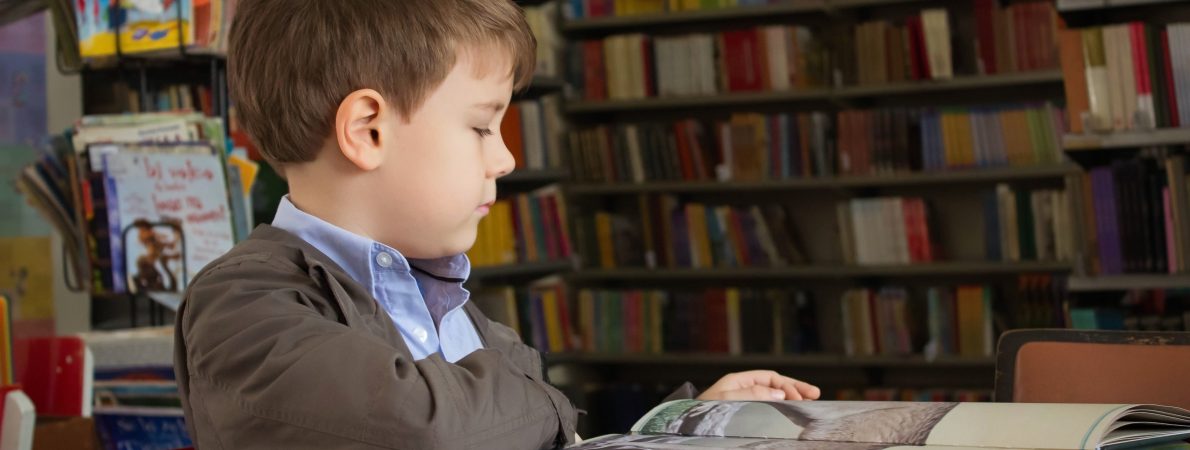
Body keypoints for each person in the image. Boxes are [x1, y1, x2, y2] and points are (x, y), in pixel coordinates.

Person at [172, 1, 821, 448]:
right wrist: (547, 403)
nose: (506, 158)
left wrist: (679, 421)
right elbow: (429, 432)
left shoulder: (443, 298)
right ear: (367, 130)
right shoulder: (241, 307)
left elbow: (522, 433)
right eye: (482, 126)